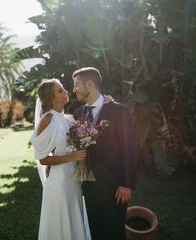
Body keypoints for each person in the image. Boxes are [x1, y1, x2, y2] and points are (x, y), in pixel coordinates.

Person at [72, 67, 137, 240]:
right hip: (89, 186)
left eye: (76, 85)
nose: (74, 90)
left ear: (90, 84)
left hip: (115, 186)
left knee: (114, 232)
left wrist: (127, 183)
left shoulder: (119, 111)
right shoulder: (78, 114)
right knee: (96, 232)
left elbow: (129, 148)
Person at [30, 78, 88, 240]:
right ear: (51, 97)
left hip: (73, 180)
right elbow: (42, 159)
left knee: (74, 217)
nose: (66, 92)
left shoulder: (68, 119)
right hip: (59, 183)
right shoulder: (47, 119)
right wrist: (71, 157)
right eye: (60, 90)